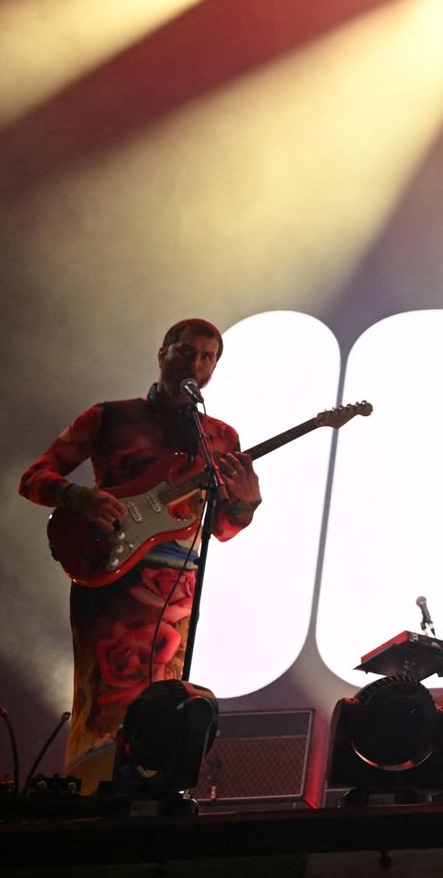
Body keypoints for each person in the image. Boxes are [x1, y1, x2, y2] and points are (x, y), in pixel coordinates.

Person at [19, 319, 262, 790]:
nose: (197, 364)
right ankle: (87, 798)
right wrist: (80, 498)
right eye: (187, 352)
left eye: (208, 357)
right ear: (162, 352)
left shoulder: (221, 438)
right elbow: (34, 477)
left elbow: (224, 530)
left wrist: (247, 501)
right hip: (108, 573)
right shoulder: (107, 416)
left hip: (177, 586)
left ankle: (146, 794)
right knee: (105, 695)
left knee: (163, 697)